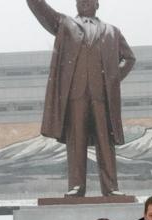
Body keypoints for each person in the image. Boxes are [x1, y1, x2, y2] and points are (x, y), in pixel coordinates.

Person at [26, 0, 136, 197]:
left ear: (97, 4)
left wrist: (112, 78)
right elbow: (42, 10)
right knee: (76, 141)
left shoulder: (112, 31)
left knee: (105, 141)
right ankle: (76, 186)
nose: (84, 3)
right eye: (80, 0)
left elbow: (129, 58)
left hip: (102, 97)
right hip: (75, 96)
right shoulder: (65, 24)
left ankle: (111, 188)